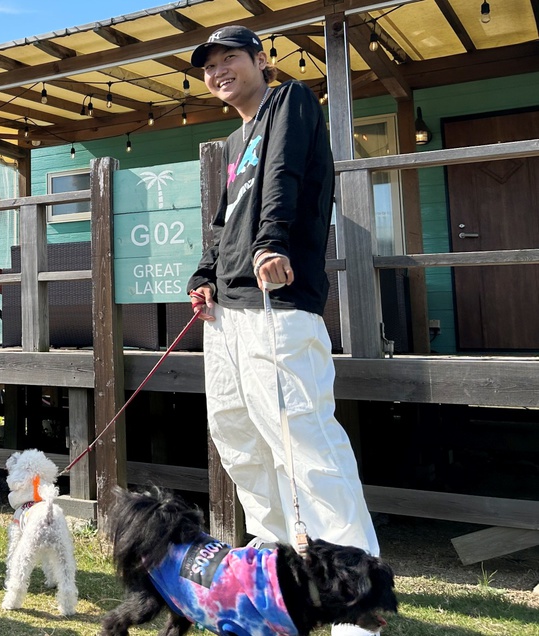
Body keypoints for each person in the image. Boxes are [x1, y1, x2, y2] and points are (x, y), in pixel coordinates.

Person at [185, 26, 381, 636]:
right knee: (239, 437)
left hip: (279, 298)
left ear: (259, 61)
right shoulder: (236, 139)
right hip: (230, 311)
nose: (219, 72)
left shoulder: (290, 102)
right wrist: (205, 271)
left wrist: (271, 241)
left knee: (304, 443)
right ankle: (275, 574)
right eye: (209, 67)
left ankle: (356, 598)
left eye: (229, 60)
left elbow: (285, 181)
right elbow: (223, 220)